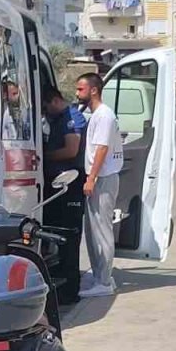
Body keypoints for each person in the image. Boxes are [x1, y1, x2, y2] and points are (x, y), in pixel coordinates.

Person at [76, 73, 124, 298]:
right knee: (93, 229)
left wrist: (91, 178)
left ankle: (104, 281)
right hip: (99, 177)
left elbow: (102, 149)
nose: (77, 94)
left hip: (103, 178)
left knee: (102, 230)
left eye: (81, 89)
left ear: (93, 90)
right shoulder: (96, 115)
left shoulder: (104, 116)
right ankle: (99, 275)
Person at [41, 87, 87, 305]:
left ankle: (70, 290)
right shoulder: (58, 119)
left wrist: (43, 156)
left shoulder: (71, 117)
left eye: (46, 106)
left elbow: (71, 150)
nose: (46, 112)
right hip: (57, 184)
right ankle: (60, 285)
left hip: (70, 183)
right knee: (56, 234)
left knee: (69, 237)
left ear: (56, 100)